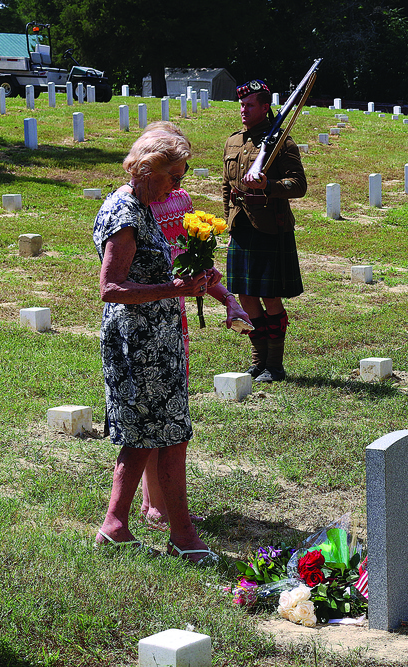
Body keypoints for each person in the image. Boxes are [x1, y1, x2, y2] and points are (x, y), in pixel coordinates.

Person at [93, 129, 217, 563]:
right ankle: (182, 536)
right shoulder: (125, 213)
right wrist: (174, 288)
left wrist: (191, 283)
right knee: (160, 436)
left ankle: (117, 526)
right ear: (148, 170)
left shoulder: (142, 206)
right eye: (173, 177)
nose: (178, 187)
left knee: (154, 437)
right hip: (139, 343)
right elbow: (110, 288)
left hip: (156, 339)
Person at [140, 122, 251, 529]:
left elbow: (197, 262)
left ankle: (161, 501)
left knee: (172, 413)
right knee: (152, 414)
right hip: (145, 318)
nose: (178, 181)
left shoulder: (180, 200)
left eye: (182, 173)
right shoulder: (139, 204)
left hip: (175, 319)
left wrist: (229, 301)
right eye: (174, 172)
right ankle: (155, 505)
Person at [223, 79, 307, 382]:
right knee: (245, 295)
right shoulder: (234, 141)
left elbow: (299, 185)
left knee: (270, 296)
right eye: (242, 105)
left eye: (250, 105)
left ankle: (275, 364)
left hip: (270, 227)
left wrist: (268, 186)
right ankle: (258, 359)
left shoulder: (281, 142)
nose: (243, 110)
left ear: (265, 106)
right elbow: (226, 186)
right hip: (242, 227)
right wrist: (227, 220)